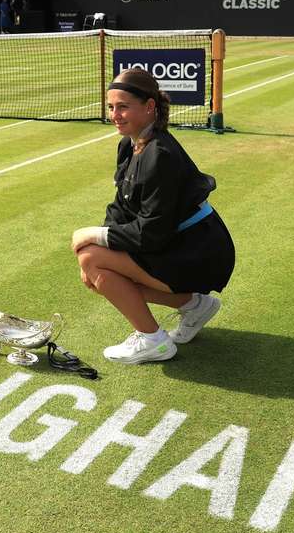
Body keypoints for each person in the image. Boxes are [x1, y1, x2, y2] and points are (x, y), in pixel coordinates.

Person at [72, 68, 235, 364]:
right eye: (111, 107)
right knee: (95, 268)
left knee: (92, 260)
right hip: (177, 243)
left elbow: (151, 234)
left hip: (199, 251)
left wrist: (94, 239)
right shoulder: (128, 144)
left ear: (149, 107)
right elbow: (121, 205)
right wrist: (99, 239)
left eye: (123, 107)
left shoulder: (160, 154)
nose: (115, 115)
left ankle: (154, 341)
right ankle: (196, 306)